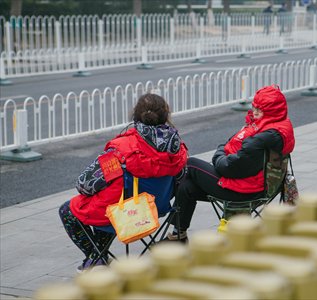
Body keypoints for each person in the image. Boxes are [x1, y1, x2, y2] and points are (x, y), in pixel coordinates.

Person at [59, 93, 188, 271]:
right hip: (156, 208)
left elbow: (84, 185)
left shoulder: (121, 149)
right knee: (107, 204)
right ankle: (97, 257)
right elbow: (181, 179)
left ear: (135, 115)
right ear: (166, 115)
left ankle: (96, 257)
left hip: (125, 214)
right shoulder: (177, 147)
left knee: (69, 210)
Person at [167, 85, 295, 242]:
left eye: (260, 110)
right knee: (187, 187)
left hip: (244, 191)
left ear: (272, 112)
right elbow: (235, 155)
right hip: (260, 185)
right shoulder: (279, 127)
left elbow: (230, 168)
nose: (254, 113)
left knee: (191, 164)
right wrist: (223, 154)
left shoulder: (260, 138)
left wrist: (218, 155)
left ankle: (164, 204)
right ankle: (178, 234)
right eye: (254, 107)